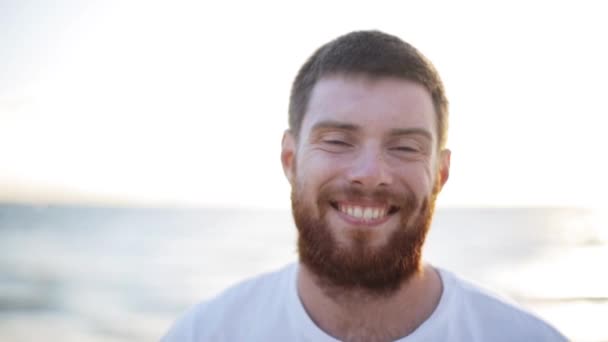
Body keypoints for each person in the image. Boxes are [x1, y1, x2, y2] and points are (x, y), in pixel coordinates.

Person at [162, 30, 566, 342]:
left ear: (440, 174)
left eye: (405, 146)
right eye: (338, 141)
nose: (370, 173)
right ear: (291, 159)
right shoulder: (204, 334)